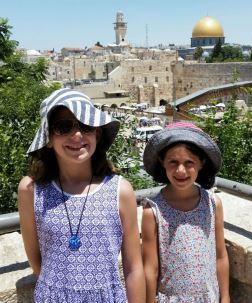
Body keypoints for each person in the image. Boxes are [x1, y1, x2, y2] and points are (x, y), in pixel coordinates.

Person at [18, 88, 145, 302]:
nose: (77, 135)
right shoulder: (31, 191)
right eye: (64, 127)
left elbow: (133, 267)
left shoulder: (120, 191)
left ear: (96, 133)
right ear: (48, 138)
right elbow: (36, 259)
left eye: (85, 126)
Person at [141, 122, 230, 303]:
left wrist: (225, 296)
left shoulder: (213, 204)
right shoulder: (153, 211)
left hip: (209, 297)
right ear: (162, 162)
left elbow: (220, 256)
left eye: (189, 162)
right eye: (173, 162)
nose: (180, 170)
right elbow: (150, 268)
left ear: (201, 163)